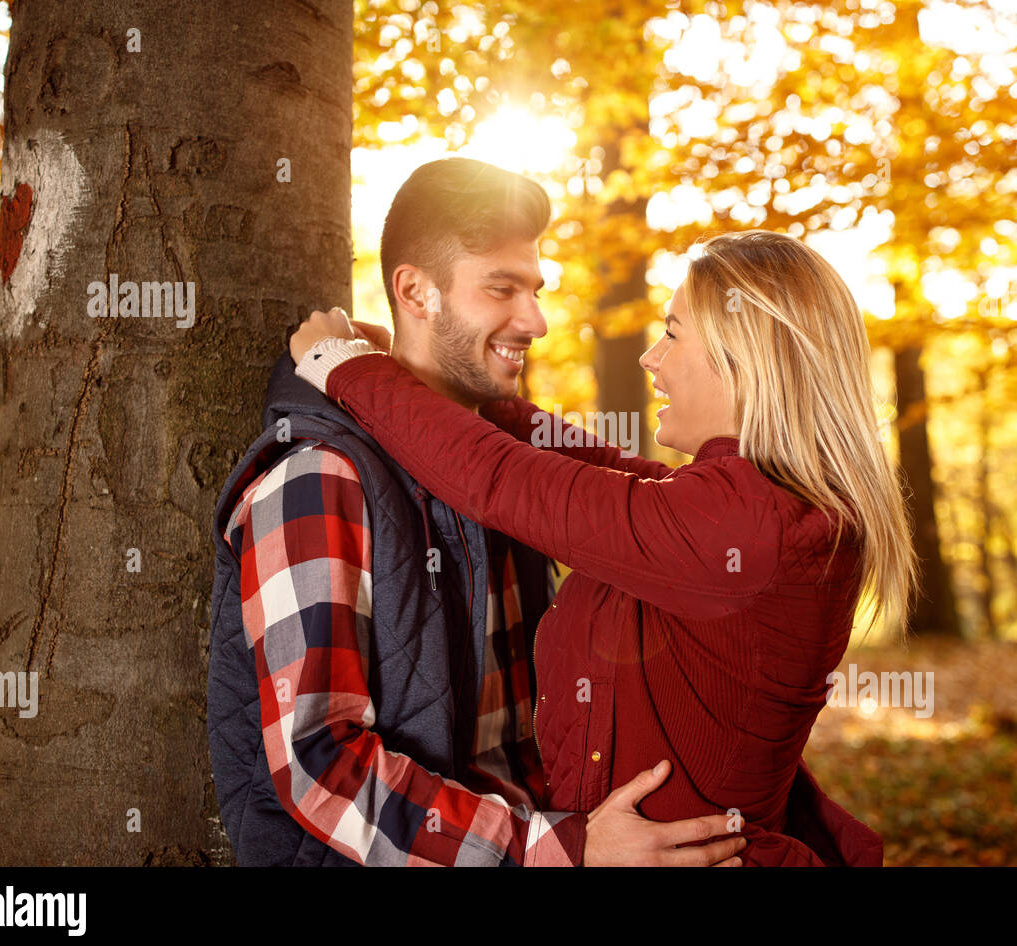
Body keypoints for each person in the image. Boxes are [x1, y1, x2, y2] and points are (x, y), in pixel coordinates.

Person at [291, 228, 915, 866]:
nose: (651, 357)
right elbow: (595, 468)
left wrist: (346, 369)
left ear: (745, 356)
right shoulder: (756, 500)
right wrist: (455, 388)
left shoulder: (745, 523)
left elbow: (506, 482)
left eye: (673, 332)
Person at [206, 157, 748, 866]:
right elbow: (321, 767)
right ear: (415, 291)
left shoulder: (508, 471)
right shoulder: (318, 478)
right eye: (502, 289)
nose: (537, 321)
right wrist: (561, 850)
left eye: (535, 290)